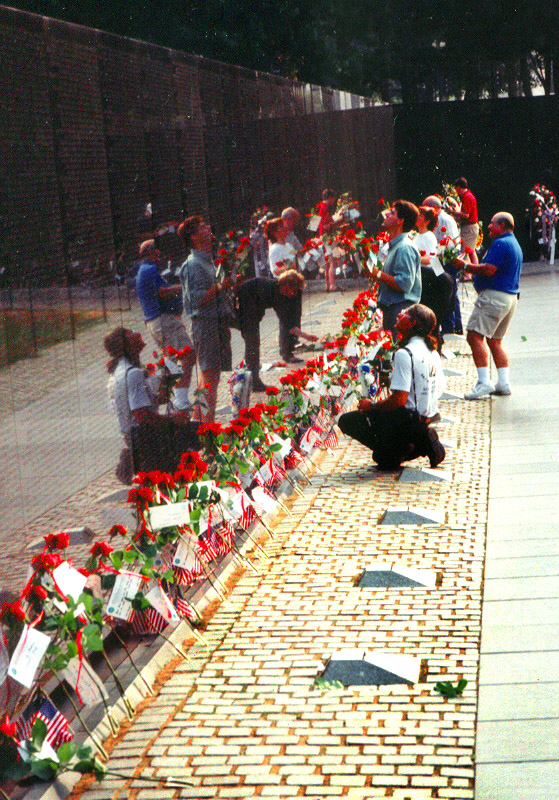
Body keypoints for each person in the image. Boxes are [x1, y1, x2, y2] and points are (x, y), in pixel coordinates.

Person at [338, 304, 446, 470]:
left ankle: (418, 442)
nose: (399, 315)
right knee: (384, 456)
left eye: (404, 313)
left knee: (348, 422)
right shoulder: (432, 351)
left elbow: (399, 400)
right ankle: (417, 438)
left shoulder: (405, 353)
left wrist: (372, 406)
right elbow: (438, 389)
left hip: (407, 419)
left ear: (412, 323)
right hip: (426, 417)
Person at [105, 327, 199, 479]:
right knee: (201, 433)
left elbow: (137, 407)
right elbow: (142, 417)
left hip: (135, 437)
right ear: (125, 346)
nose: (138, 333)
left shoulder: (121, 371)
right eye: (131, 333)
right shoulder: (132, 373)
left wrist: (157, 397)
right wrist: (174, 418)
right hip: (145, 438)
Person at [455, 212, 523, 399]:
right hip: (509, 298)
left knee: (474, 336)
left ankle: (484, 382)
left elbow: (489, 269)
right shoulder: (513, 243)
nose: (489, 227)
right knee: (495, 341)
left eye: (492, 224)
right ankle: (503, 383)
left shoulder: (501, 243)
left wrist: (464, 266)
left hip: (494, 297)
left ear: (502, 225)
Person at [178, 216, 234, 422]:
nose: (208, 228)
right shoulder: (192, 265)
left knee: (209, 375)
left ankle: (197, 420)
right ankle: (207, 427)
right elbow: (194, 300)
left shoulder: (210, 260)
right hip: (206, 323)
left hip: (217, 321)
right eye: (202, 227)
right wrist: (221, 286)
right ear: (194, 237)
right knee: (210, 376)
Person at [135, 239, 196, 410]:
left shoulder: (146, 269)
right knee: (187, 355)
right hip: (163, 320)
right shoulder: (149, 269)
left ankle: (164, 396)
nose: (160, 252)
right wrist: (184, 287)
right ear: (150, 252)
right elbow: (161, 293)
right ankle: (180, 401)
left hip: (159, 321)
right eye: (157, 249)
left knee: (173, 361)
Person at [236, 270, 319, 390]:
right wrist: (305, 335)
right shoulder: (273, 291)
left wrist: (305, 336)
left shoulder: (280, 293)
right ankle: (253, 382)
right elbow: (287, 325)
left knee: (253, 344)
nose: (293, 295)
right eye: (293, 291)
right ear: (286, 286)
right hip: (245, 304)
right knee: (252, 343)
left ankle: (253, 380)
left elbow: (287, 324)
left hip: (253, 309)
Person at [369, 200, 421, 335]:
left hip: (399, 310)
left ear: (400, 221)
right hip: (393, 310)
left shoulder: (404, 248)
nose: (386, 215)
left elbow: (404, 283)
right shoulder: (396, 246)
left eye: (392, 213)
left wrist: (378, 275)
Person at [423, 195, 463, 335]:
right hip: (439, 259)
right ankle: (451, 325)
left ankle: (452, 326)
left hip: (447, 260)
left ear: (434, 207)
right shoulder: (437, 219)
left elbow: (450, 242)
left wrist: (437, 252)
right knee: (445, 291)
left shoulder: (446, 219)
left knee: (449, 292)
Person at [415, 206, 454, 350]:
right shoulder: (418, 235)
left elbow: (433, 259)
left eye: (420, 215)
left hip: (429, 278)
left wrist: (415, 257)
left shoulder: (428, 237)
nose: (417, 218)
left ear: (426, 220)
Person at [317, 189, 340, 292]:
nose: (334, 200)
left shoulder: (321, 206)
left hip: (323, 236)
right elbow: (326, 226)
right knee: (332, 261)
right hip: (327, 237)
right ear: (330, 197)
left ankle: (327, 285)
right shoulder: (325, 208)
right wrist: (338, 221)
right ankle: (332, 285)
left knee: (327, 262)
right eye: (333, 198)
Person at [451, 178, 479, 251]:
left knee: (465, 252)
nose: (455, 190)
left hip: (469, 228)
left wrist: (453, 212)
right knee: (471, 252)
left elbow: (466, 215)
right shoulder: (469, 195)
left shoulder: (467, 197)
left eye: (456, 188)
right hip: (472, 227)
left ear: (459, 187)